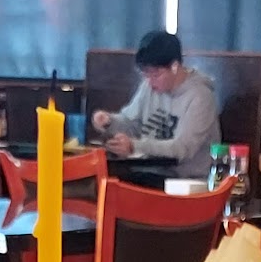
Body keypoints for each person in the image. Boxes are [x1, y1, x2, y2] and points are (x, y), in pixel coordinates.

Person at [92, 30, 220, 182]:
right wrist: (110, 122)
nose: (150, 82)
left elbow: (182, 148)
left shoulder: (200, 96)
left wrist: (135, 146)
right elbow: (132, 124)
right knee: (100, 181)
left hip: (186, 181)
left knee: (113, 186)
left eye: (156, 74)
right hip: (150, 171)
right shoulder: (149, 86)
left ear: (174, 66)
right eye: (146, 74)